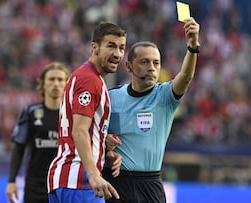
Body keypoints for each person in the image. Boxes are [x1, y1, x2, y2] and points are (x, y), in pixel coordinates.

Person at [102, 17, 200, 203]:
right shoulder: (111, 97)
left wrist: (193, 45)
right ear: (129, 66)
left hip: (149, 184)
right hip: (114, 182)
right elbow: (92, 135)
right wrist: (104, 141)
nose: (152, 68)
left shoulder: (165, 96)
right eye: (145, 62)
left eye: (156, 63)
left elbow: (186, 76)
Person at [47, 21, 126, 203]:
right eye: (111, 46)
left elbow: (82, 128)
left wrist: (103, 144)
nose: (117, 54)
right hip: (79, 181)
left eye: (121, 48)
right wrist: (94, 174)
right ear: (95, 47)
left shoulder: (83, 76)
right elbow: (79, 130)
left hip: (66, 179)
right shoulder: (90, 80)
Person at [6, 62, 70, 203]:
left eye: (60, 80)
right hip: (35, 186)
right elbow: (18, 148)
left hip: (63, 184)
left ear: (67, 84)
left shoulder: (73, 115)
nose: (56, 84)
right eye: (51, 79)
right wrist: (11, 181)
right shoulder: (30, 112)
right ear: (43, 83)